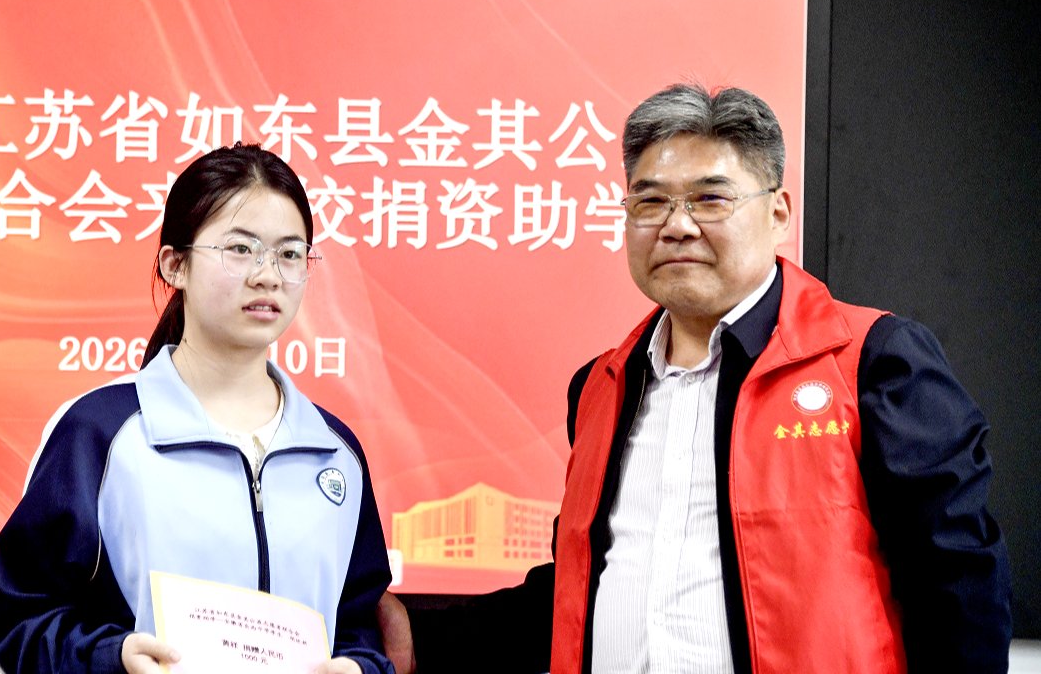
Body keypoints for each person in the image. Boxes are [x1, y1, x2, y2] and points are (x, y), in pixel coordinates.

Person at [379, 83, 1011, 674]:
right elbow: (583, 591)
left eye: (711, 198)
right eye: (650, 201)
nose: (677, 225)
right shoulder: (601, 387)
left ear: (779, 213)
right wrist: (421, 640)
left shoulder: (872, 361)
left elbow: (958, 586)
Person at [0, 143, 394, 674]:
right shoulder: (100, 434)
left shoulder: (334, 451)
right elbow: (23, 619)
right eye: (241, 249)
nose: (268, 275)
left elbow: (360, 624)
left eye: (290, 254)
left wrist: (361, 667)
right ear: (174, 265)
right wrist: (112, 659)